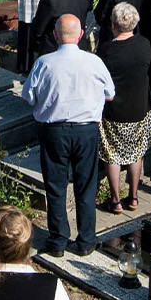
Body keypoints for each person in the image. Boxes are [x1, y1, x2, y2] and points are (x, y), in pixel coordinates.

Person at [25, 15, 112, 257]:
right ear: (81, 34)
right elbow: (110, 93)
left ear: (55, 35)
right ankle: (86, 241)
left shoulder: (44, 63)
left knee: (56, 186)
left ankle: (58, 240)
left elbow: (28, 96)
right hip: (86, 130)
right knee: (86, 186)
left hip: (54, 130)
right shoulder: (94, 62)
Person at [96, 3, 151, 215]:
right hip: (138, 107)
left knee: (113, 155)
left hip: (114, 109)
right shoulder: (144, 44)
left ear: (113, 25)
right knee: (136, 153)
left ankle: (116, 200)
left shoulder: (106, 50)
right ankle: (134, 196)